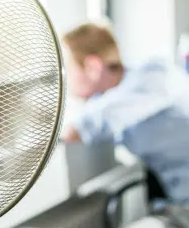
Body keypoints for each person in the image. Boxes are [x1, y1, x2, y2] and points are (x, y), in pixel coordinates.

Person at [62, 22, 189, 205]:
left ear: (93, 67)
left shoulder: (150, 77)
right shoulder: (115, 96)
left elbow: (78, 130)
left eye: (67, 68)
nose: (64, 79)